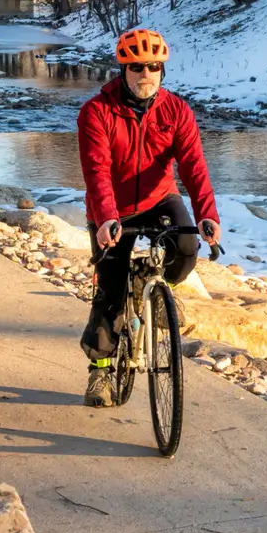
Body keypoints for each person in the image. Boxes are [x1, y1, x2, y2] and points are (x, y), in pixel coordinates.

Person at [74, 28, 221, 407]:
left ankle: (153, 288)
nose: (146, 74)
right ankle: (100, 371)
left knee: (186, 249)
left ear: (162, 70)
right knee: (111, 292)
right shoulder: (96, 112)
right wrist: (106, 218)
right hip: (111, 209)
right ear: (123, 70)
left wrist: (207, 214)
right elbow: (96, 171)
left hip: (159, 199)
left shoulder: (177, 111)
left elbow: (193, 167)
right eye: (137, 66)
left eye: (154, 67)